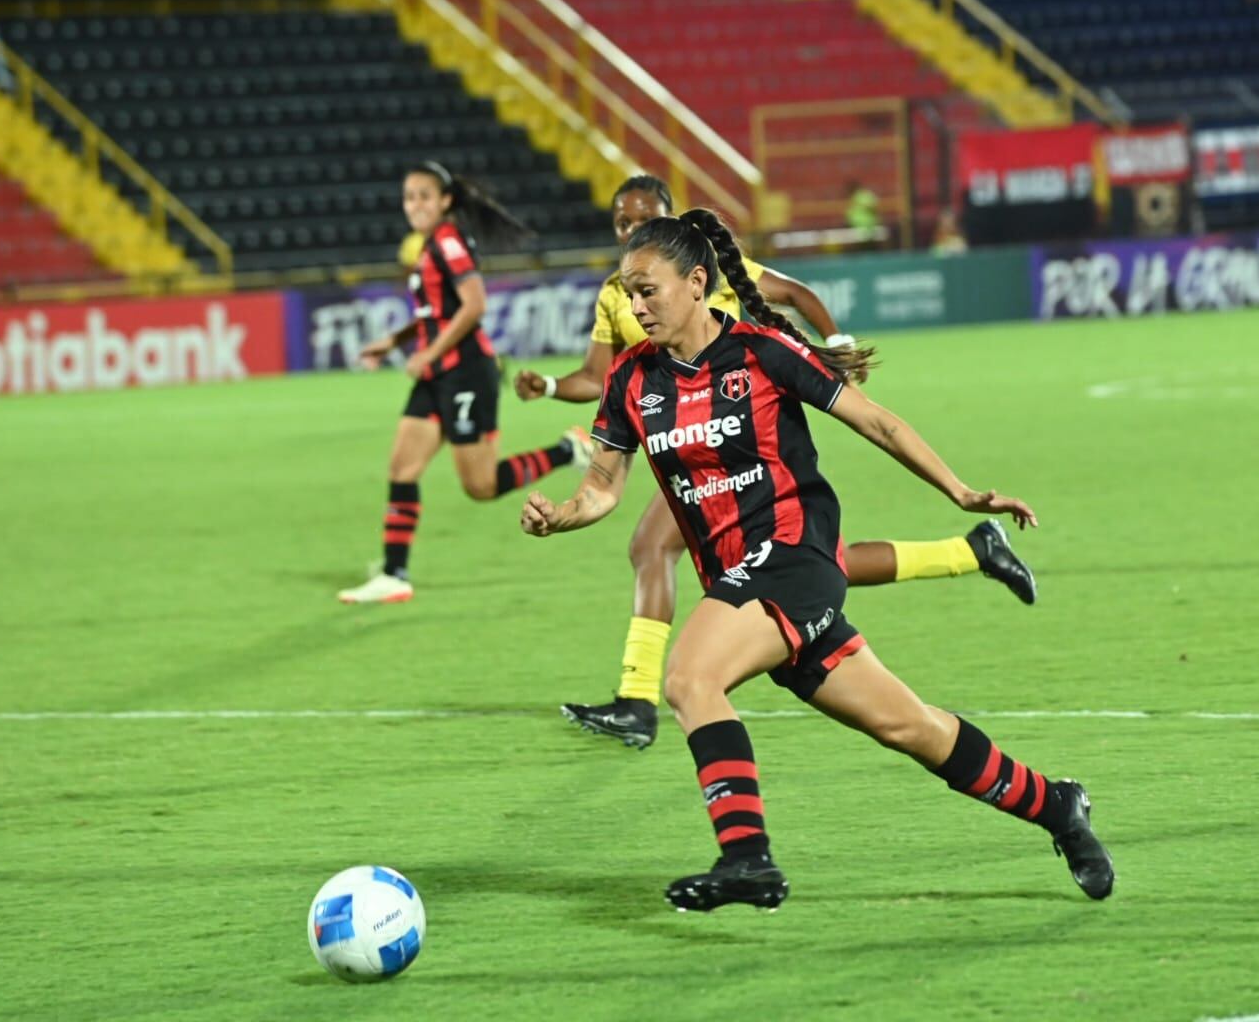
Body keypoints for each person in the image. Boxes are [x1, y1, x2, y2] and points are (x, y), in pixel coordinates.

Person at [520, 209, 1113, 909]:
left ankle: (746, 860)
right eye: (627, 292)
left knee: (688, 678)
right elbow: (602, 488)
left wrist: (958, 491)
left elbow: (877, 421)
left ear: (696, 282)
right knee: (908, 726)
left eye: (647, 289)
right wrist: (563, 515)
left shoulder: (759, 352)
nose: (634, 305)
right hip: (742, 580)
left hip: (794, 557)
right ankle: (1056, 805)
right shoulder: (632, 381)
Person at [514, 175, 1035, 749]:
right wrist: (550, 397)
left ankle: (637, 700)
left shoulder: (726, 298)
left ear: (690, 267)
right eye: (621, 223)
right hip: (685, 454)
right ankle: (971, 552)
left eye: (643, 220)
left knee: (673, 577)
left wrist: (835, 349)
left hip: (750, 466)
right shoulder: (625, 305)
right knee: (886, 688)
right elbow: (598, 396)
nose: (631, 233)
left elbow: (805, 312)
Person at [337, 161, 593, 604]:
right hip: (438, 374)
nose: (414, 205)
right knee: (403, 468)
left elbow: (474, 306)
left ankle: (567, 450)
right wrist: (393, 341)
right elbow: (435, 314)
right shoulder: (428, 244)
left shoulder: (448, 242)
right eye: (408, 197)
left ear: (445, 200)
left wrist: (427, 354)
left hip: (467, 372)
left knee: (481, 486)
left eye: (423, 196)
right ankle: (395, 574)